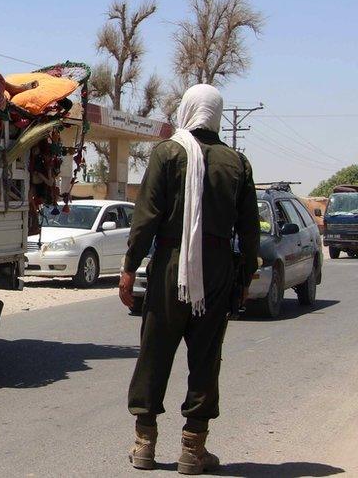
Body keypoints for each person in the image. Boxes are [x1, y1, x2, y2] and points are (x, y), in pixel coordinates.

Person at [118, 84, 259, 474]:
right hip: (216, 271)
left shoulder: (167, 152)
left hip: (168, 267)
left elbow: (145, 218)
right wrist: (245, 275)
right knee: (205, 358)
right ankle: (193, 451)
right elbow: (249, 231)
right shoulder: (237, 163)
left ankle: (144, 445)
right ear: (215, 113)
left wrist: (129, 269)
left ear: (188, 110)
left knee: (154, 353)